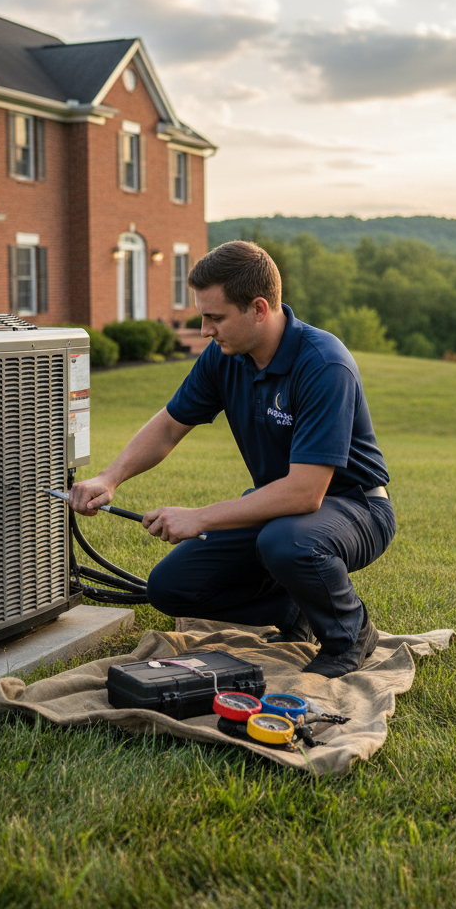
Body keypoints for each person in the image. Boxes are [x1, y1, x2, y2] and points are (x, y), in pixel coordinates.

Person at [68, 241, 395, 678]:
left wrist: (200, 517)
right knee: (170, 589)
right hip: (277, 509)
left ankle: (349, 633)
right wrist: (110, 478)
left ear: (258, 309)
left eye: (215, 318)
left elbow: (305, 493)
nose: (205, 330)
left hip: (357, 507)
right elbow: (169, 425)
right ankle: (294, 609)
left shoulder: (323, 364)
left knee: (285, 543)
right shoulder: (225, 358)